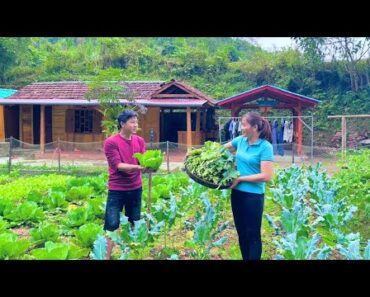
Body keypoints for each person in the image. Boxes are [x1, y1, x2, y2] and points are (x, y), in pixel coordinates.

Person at [224, 112, 274, 260]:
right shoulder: (240, 141)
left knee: (252, 234)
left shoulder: (265, 147)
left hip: (253, 197)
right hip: (237, 194)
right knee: (242, 233)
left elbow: (266, 176)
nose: (241, 128)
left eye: (244, 125)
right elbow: (219, 150)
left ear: (255, 127)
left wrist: (240, 179)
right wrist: (197, 153)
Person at [103, 110, 149, 259]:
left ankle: (130, 255)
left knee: (134, 223)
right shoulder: (111, 142)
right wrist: (138, 167)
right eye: (132, 122)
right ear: (122, 124)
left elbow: (143, 161)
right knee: (112, 225)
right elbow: (118, 165)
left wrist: (150, 165)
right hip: (117, 189)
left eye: (136, 122)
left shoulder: (140, 141)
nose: (136, 125)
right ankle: (106, 257)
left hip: (136, 188)